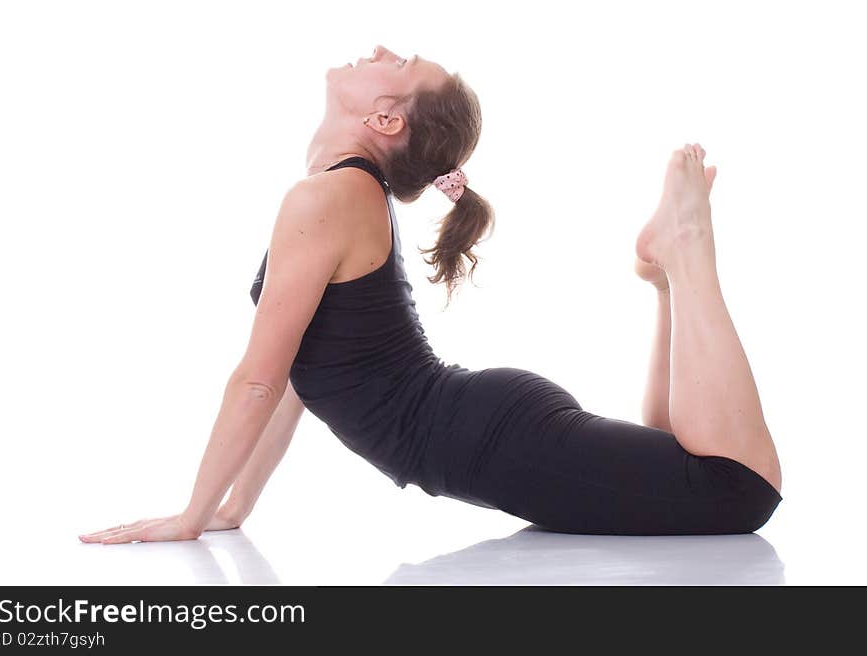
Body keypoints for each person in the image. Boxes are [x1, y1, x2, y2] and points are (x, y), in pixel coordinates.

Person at [80, 45, 782, 544]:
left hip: (490, 440)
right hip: (487, 428)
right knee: (679, 456)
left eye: (401, 62)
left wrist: (191, 515)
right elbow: (291, 379)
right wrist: (234, 506)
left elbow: (258, 381)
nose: (380, 48)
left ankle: (688, 255)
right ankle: (665, 281)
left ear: (388, 118)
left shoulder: (330, 196)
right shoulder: (340, 195)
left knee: (737, 489)